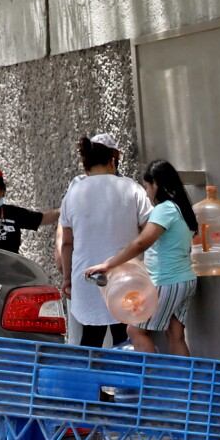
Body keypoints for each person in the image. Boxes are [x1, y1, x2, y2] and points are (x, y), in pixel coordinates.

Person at [83, 160, 200, 356]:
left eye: (147, 186)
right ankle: (185, 386)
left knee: (135, 330)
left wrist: (108, 264)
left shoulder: (165, 209)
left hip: (167, 281)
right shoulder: (181, 208)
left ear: (156, 184)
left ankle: (152, 383)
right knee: (175, 333)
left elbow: (141, 243)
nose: (146, 192)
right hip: (185, 280)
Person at [57, 132, 150, 349]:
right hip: (126, 277)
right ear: (112, 160)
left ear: (85, 166)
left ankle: (87, 383)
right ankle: (125, 383)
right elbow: (150, 231)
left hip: (86, 277)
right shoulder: (131, 188)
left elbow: (67, 243)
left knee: (90, 340)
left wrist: (67, 278)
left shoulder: (73, 194)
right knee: (125, 337)